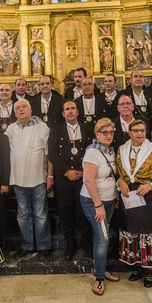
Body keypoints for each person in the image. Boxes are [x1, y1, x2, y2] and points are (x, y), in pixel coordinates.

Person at [117, 119, 152, 287]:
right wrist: (121, 181)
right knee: (133, 232)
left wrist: (150, 185)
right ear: (129, 133)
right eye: (136, 130)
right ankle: (139, 266)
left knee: (148, 233)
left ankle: (151, 269)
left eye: (142, 130)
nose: (140, 133)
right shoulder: (122, 150)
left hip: (148, 196)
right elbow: (117, 172)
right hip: (129, 196)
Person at [5, 99, 53, 259]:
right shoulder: (10, 129)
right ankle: (27, 245)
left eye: (24, 106)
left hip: (38, 177)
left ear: (31, 109)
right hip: (18, 179)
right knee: (23, 213)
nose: (20, 109)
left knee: (40, 213)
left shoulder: (42, 127)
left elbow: (49, 154)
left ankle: (44, 245)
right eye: (17, 108)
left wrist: (50, 175)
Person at [48, 101, 96, 259]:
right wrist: (67, 171)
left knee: (83, 211)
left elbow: (93, 150)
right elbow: (53, 154)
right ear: (63, 113)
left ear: (77, 112)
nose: (70, 111)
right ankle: (70, 245)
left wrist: (85, 170)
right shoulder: (55, 131)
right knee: (66, 212)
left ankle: (86, 243)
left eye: (72, 108)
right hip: (64, 179)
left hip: (84, 178)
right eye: (66, 109)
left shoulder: (88, 130)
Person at [81, 118, 121, 296]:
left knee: (103, 236)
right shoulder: (92, 152)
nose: (109, 135)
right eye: (104, 132)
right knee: (103, 237)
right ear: (97, 134)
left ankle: (102, 269)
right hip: (94, 201)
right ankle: (99, 277)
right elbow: (88, 181)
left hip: (110, 199)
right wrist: (98, 205)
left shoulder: (111, 150)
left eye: (111, 132)